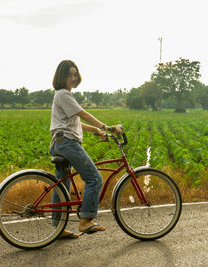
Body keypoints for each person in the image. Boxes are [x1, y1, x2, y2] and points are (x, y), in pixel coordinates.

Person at [49, 60, 122, 239]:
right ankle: (86, 220)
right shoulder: (64, 95)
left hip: (60, 142)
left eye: (75, 74)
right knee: (95, 178)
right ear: (61, 77)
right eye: (69, 75)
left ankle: (58, 228)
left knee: (62, 186)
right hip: (67, 142)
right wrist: (107, 127)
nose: (74, 78)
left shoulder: (62, 95)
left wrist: (96, 130)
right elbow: (83, 114)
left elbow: (75, 121)